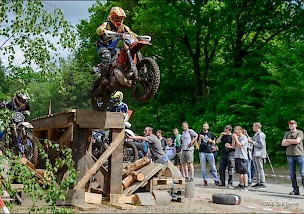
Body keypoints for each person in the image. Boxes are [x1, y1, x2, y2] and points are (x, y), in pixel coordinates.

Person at [94, 7, 138, 85]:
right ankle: (103, 78)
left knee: (120, 57)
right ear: (112, 17)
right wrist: (103, 30)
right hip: (102, 46)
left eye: (121, 18)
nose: (119, 20)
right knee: (107, 56)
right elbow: (98, 30)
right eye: (117, 18)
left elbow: (132, 33)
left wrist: (138, 37)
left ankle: (120, 75)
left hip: (113, 49)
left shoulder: (123, 27)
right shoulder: (107, 24)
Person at [281, 120, 304, 195]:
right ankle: (295, 189)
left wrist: (288, 140)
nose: (291, 125)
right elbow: (283, 144)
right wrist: (291, 141)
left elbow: (297, 141)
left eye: (292, 124)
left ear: (296, 125)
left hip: (299, 154)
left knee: (303, 173)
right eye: (289, 124)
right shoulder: (286, 133)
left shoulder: (299, 132)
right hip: (290, 155)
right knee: (291, 173)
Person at [247, 122, 267, 189]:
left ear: (257, 127)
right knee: (256, 169)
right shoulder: (256, 135)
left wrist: (252, 142)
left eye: (253, 126)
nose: (252, 128)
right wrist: (246, 135)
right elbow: (251, 139)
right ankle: (258, 182)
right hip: (255, 154)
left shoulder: (261, 135)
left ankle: (262, 183)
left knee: (260, 169)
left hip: (259, 154)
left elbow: (261, 145)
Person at [232, 126, 249, 190]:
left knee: (244, 171)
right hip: (237, 156)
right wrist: (233, 139)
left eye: (235, 131)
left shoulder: (244, 138)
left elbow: (240, 145)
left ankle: (246, 185)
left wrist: (236, 138)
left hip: (242, 157)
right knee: (239, 171)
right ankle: (241, 183)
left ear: (240, 131)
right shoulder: (238, 138)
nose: (235, 133)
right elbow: (234, 146)